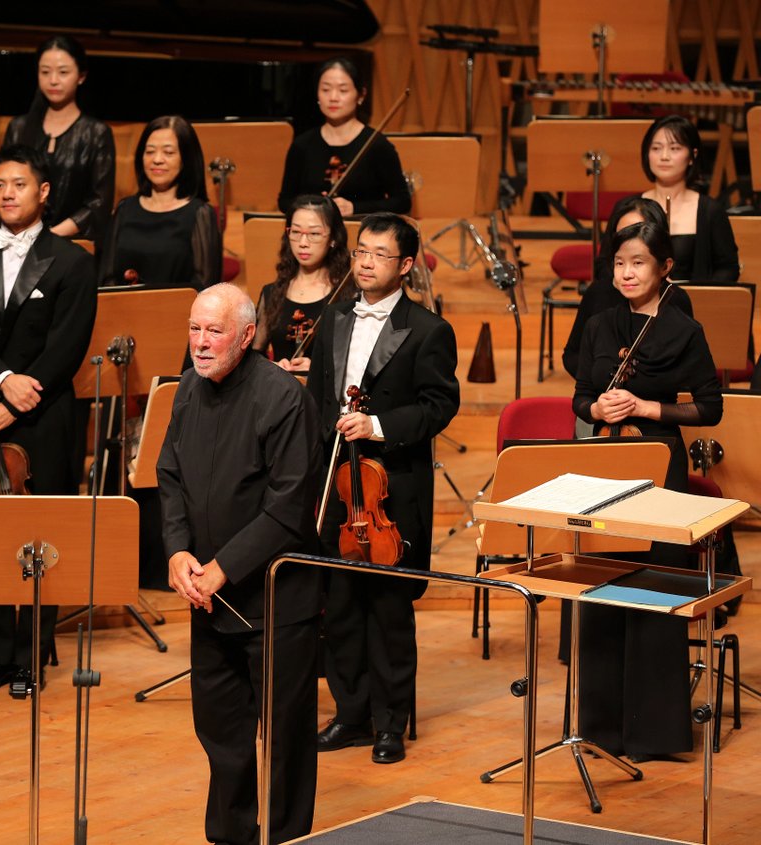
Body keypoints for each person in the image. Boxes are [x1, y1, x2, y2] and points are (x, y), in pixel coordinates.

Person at [158, 282, 321, 845]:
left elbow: (289, 506)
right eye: (194, 329)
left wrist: (221, 568)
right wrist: (178, 550)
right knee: (221, 732)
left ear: (247, 336)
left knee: (284, 737)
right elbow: (170, 476)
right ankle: (229, 837)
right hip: (208, 596)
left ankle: (286, 838)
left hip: (276, 600)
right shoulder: (185, 389)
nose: (200, 344)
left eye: (214, 331)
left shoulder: (283, 398)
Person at [0, 144, 96, 695]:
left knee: (39, 539)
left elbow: (68, 343)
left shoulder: (72, 261)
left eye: (20, 184)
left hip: (43, 412)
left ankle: (32, 654)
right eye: (0, 184)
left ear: (44, 191)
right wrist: (3, 383)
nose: (8, 193)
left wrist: (23, 394)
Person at [306, 212, 459, 764]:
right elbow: (320, 398)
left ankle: (391, 723)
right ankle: (351, 715)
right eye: (360, 252)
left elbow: (439, 405)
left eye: (379, 254)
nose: (365, 262)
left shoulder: (428, 331)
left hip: (391, 489)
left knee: (389, 609)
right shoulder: (334, 320)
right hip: (337, 485)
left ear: (406, 265)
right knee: (341, 605)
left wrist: (376, 425)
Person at [572, 220, 722, 760]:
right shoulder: (599, 324)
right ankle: (601, 727)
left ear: (665, 269)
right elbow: (581, 396)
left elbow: (709, 406)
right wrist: (596, 408)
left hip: (658, 461)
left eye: (638, 262)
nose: (627, 272)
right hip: (605, 461)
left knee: (652, 587)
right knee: (603, 582)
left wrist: (644, 407)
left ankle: (652, 733)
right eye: (619, 263)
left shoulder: (683, 329)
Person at [562, 196, 694, 380]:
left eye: (641, 232)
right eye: (624, 233)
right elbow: (572, 355)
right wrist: (602, 381)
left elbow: (686, 367)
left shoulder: (675, 298)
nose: (631, 242)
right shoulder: (598, 293)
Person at [1, 35, 115, 244]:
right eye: (45, 72)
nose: (53, 80)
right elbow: (2, 187)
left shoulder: (96, 133)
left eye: (63, 72)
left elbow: (99, 202)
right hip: (18, 241)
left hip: (72, 245)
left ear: (81, 76)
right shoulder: (18, 128)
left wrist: (51, 236)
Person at [278, 57, 411, 217]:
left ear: (361, 95)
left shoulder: (377, 145)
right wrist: (311, 208)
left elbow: (402, 201)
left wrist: (355, 208)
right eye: (326, 89)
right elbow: (284, 201)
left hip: (363, 235)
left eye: (343, 90)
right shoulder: (302, 145)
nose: (333, 97)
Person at [99, 115, 221, 289]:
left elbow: (205, 287)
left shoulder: (200, 214)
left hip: (178, 314)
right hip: (124, 313)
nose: (157, 159)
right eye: (149, 151)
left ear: (186, 158)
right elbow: (106, 277)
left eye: (169, 152)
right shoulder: (125, 208)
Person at [253, 194, 351, 370]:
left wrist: (318, 369)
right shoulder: (272, 292)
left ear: (333, 238)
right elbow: (254, 355)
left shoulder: (348, 293)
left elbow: (359, 362)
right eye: (296, 232)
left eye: (314, 234)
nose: (303, 243)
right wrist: (273, 366)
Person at [636, 115, 738, 283]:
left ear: (692, 155)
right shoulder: (628, 207)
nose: (664, 156)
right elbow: (606, 264)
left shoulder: (711, 211)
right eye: (656, 148)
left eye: (675, 148)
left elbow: (728, 267)